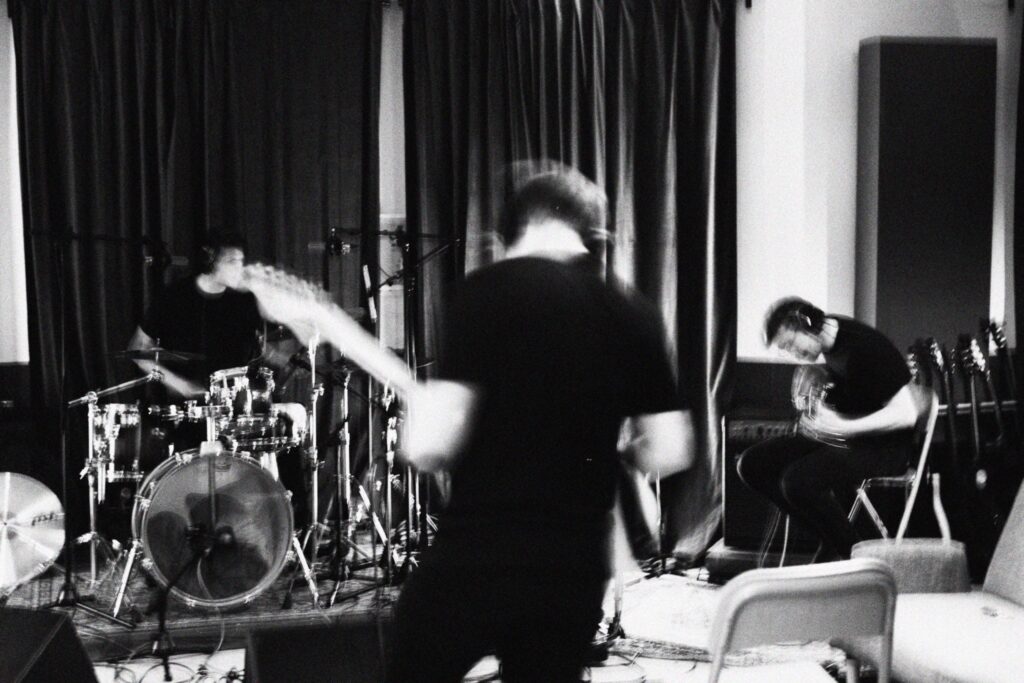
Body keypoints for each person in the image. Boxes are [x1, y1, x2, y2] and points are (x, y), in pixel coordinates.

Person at [241, 164, 696, 682]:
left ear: (511, 231)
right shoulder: (632, 311)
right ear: (590, 233)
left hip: (482, 554)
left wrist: (413, 406)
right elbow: (671, 450)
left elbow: (431, 448)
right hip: (577, 565)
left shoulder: (490, 292)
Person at [737, 297, 919, 560]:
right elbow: (859, 396)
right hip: (854, 437)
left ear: (809, 324)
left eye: (790, 343)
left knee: (797, 481)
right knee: (752, 464)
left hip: (888, 447)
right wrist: (821, 413)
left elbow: (907, 414)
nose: (792, 354)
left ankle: (854, 556)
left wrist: (844, 427)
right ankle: (832, 538)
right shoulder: (831, 345)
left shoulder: (866, 347)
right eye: (785, 349)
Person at [127, 231, 264, 398]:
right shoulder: (173, 297)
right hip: (185, 406)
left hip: (234, 402)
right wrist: (181, 385)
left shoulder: (245, 300)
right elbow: (138, 349)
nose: (239, 269)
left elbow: (263, 348)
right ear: (210, 260)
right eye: (232, 262)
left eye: (241, 261)